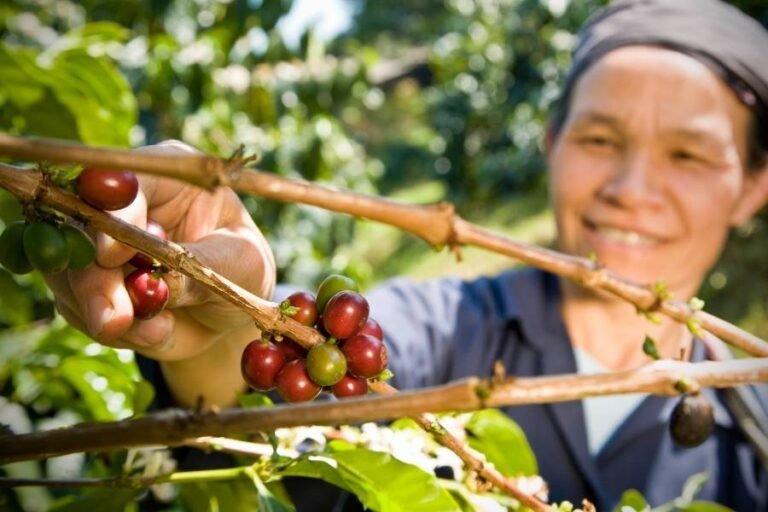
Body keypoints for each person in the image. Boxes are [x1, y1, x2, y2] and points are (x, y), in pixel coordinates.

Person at [46, 0, 768, 509]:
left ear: (752, 188)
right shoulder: (444, 330)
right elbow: (281, 410)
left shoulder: (756, 427)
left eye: (688, 155)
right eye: (600, 140)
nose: (632, 189)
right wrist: (225, 326)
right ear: (551, 146)